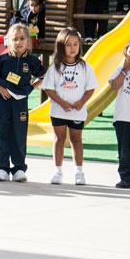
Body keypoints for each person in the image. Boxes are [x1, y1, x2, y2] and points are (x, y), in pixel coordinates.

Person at [0, 23, 46, 182]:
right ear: (8, 41)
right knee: (3, 133)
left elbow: (43, 75)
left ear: (28, 41)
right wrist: (1, 89)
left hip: (20, 102)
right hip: (5, 101)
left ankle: (19, 168)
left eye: (22, 39)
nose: (18, 42)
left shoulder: (32, 61)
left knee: (19, 134)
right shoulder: (2, 59)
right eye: (14, 39)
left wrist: (32, 87)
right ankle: (2, 168)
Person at [41, 27, 98, 185]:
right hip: (58, 111)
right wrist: (62, 103)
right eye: (68, 44)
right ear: (61, 46)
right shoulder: (55, 67)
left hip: (77, 112)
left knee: (76, 140)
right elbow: (49, 88)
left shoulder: (85, 67)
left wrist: (81, 102)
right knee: (59, 139)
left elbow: (90, 88)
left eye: (75, 44)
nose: (72, 48)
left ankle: (79, 172)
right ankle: (57, 171)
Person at [109, 37, 130, 188]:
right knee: (124, 151)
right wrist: (125, 70)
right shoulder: (121, 70)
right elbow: (114, 85)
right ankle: (126, 178)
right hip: (123, 118)